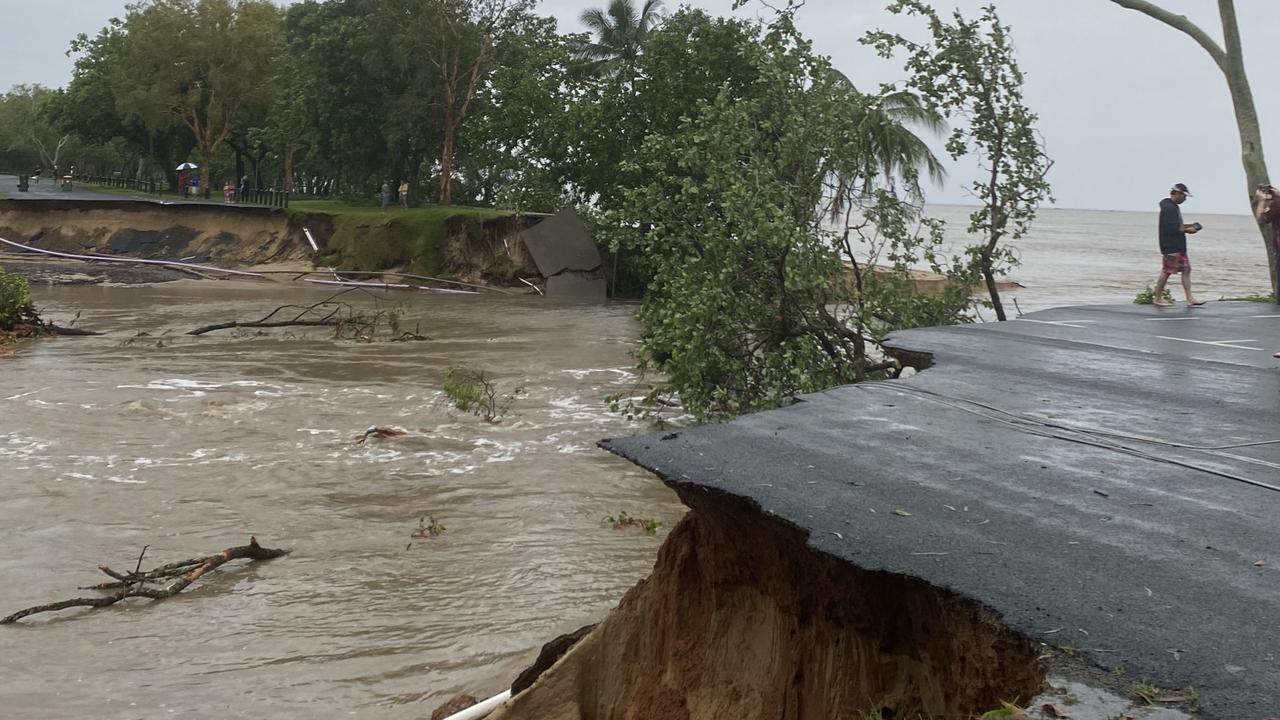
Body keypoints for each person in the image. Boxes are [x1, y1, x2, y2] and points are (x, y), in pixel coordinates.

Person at [1152, 182, 1203, 307]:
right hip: (1171, 246)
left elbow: (1176, 225)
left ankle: (1190, 298)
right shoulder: (1169, 208)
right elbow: (1172, 228)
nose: (1185, 199)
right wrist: (1189, 230)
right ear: (1177, 194)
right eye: (1184, 196)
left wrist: (1190, 226)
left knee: (1186, 270)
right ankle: (1157, 298)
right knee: (1167, 272)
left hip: (1178, 246)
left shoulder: (1172, 207)